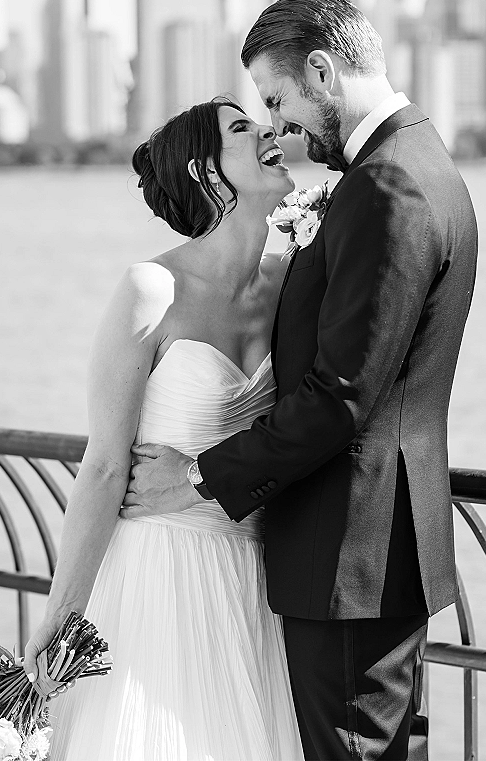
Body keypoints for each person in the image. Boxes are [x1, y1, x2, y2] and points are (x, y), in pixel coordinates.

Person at [121, 0, 479, 760]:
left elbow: (340, 397)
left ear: (322, 71)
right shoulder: (411, 164)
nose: (279, 125)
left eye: (278, 100)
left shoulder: (388, 187)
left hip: (351, 558)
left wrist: (195, 477)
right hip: (362, 554)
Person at [23, 97, 304, 760]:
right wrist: (61, 616)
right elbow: (104, 467)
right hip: (161, 578)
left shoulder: (293, 279)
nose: (267, 129)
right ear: (206, 173)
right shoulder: (151, 289)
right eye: (242, 128)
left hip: (257, 576)